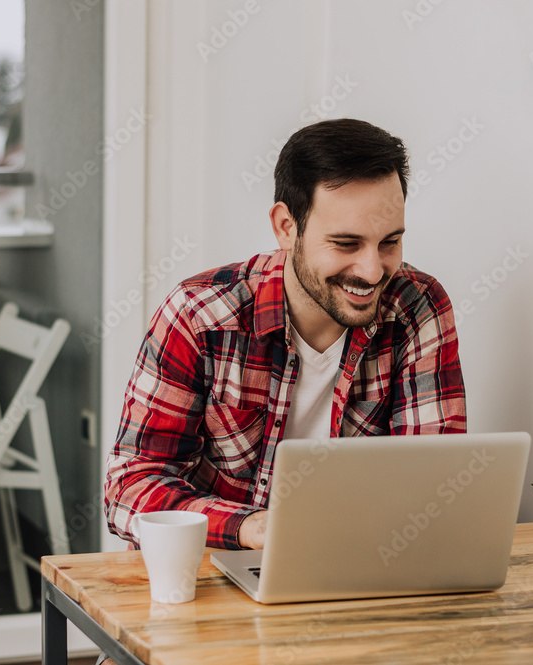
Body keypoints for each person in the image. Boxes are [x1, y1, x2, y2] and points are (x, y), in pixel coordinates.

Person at [104, 118, 467, 552]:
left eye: (389, 242)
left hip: (357, 569)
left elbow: (433, 482)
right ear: (286, 227)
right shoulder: (200, 315)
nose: (373, 271)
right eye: (346, 244)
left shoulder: (416, 306)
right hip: (212, 574)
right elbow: (129, 486)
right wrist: (253, 528)